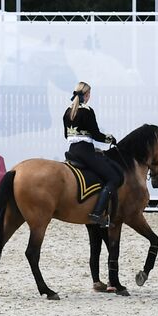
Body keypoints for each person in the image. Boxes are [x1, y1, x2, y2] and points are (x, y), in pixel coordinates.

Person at [63, 81, 123, 228]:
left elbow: (66, 135)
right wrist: (110, 138)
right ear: (87, 94)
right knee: (114, 177)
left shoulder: (67, 111)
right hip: (85, 152)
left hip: (72, 151)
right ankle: (97, 213)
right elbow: (96, 135)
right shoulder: (87, 111)